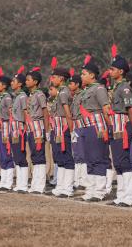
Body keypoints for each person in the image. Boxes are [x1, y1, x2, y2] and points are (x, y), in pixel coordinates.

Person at [79, 56, 112, 201]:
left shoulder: (99, 88)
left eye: (84, 74)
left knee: (98, 158)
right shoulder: (86, 90)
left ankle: (99, 191)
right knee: (89, 158)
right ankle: (91, 189)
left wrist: (107, 129)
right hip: (86, 126)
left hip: (97, 126)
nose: (81, 76)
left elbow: (106, 109)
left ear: (92, 75)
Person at [108, 54, 132, 206]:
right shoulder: (116, 87)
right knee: (118, 163)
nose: (110, 72)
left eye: (112, 69)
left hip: (123, 127)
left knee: (125, 162)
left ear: (121, 71)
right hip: (115, 127)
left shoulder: (125, 88)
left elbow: (131, 111)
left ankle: (130, 197)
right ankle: (121, 195)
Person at [50, 66, 76, 197]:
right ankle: (60, 186)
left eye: (54, 77)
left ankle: (68, 188)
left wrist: (71, 131)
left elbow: (67, 112)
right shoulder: (60, 92)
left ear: (61, 78)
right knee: (60, 157)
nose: (51, 79)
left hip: (64, 128)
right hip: (58, 128)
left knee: (67, 157)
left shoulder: (64, 92)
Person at [25, 68, 50, 194]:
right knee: (34, 155)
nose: (26, 81)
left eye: (28, 80)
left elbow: (45, 112)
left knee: (39, 155)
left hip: (39, 127)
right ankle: (35, 183)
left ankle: (40, 184)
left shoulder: (40, 95)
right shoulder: (31, 95)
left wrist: (47, 130)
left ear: (35, 82)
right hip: (31, 127)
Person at [0, 71, 14, 190]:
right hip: (1, 127)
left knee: (6, 153)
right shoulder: (1, 97)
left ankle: (9, 181)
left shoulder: (7, 98)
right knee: (1, 153)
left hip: (6, 126)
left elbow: (11, 114)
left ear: (5, 86)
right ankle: (3, 179)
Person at [10, 67, 29, 193]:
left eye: (14, 81)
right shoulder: (16, 96)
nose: (12, 83)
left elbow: (25, 113)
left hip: (20, 127)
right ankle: (19, 182)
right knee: (16, 155)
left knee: (21, 156)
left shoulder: (22, 97)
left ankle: (24, 184)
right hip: (14, 127)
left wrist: (25, 128)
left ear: (20, 84)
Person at [69, 74, 88, 189]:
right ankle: (77, 180)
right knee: (76, 154)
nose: (69, 86)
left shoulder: (83, 95)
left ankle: (84, 180)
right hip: (75, 125)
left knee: (83, 154)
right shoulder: (75, 96)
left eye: (71, 83)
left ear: (77, 84)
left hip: (82, 125)